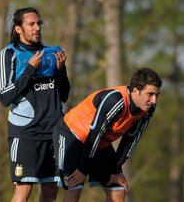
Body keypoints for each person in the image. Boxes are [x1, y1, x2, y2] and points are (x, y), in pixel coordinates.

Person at [52, 68, 162, 202]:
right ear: (135, 91)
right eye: (150, 94)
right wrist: (82, 169)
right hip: (72, 135)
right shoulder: (116, 100)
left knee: (118, 188)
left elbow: (130, 142)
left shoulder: (148, 109)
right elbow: (95, 133)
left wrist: (115, 170)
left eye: (157, 95)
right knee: (74, 185)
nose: (154, 100)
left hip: (98, 144)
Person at [0, 7, 70, 202]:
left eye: (39, 23)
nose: (37, 28)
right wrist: (30, 69)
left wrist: (61, 71)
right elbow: (4, 98)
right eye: (31, 24)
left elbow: (64, 95)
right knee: (24, 189)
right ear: (18, 29)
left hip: (53, 132)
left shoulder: (50, 53)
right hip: (26, 132)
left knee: (51, 192)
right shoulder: (8, 54)